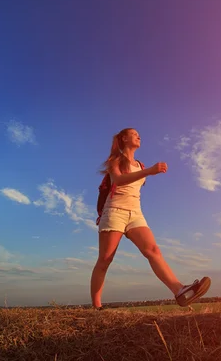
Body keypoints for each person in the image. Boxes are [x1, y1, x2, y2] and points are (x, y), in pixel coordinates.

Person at [90, 127, 211, 310]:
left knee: (153, 250)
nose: (138, 136)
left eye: (138, 134)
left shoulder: (140, 164)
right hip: (115, 211)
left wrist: (147, 170)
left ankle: (180, 290)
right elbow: (119, 181)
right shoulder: (115, 160)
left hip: (136, 213)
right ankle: (96, 307)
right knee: (105, 259)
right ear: (124, 138)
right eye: (134, 133)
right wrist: (150, 171)